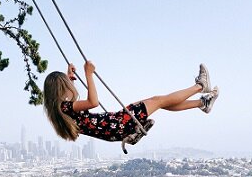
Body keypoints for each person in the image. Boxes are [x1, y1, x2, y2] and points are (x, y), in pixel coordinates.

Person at [43, 61, 219, 143]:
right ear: (61, 88)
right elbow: (93, 102)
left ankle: (202, 104)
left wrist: (70, 77)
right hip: (117, 123)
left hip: (114, 128)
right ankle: (200, 86)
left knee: (160, 103)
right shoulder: (65, 107)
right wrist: (88, 73)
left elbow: (74, 102)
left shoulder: (60, 109)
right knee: (158, 100)